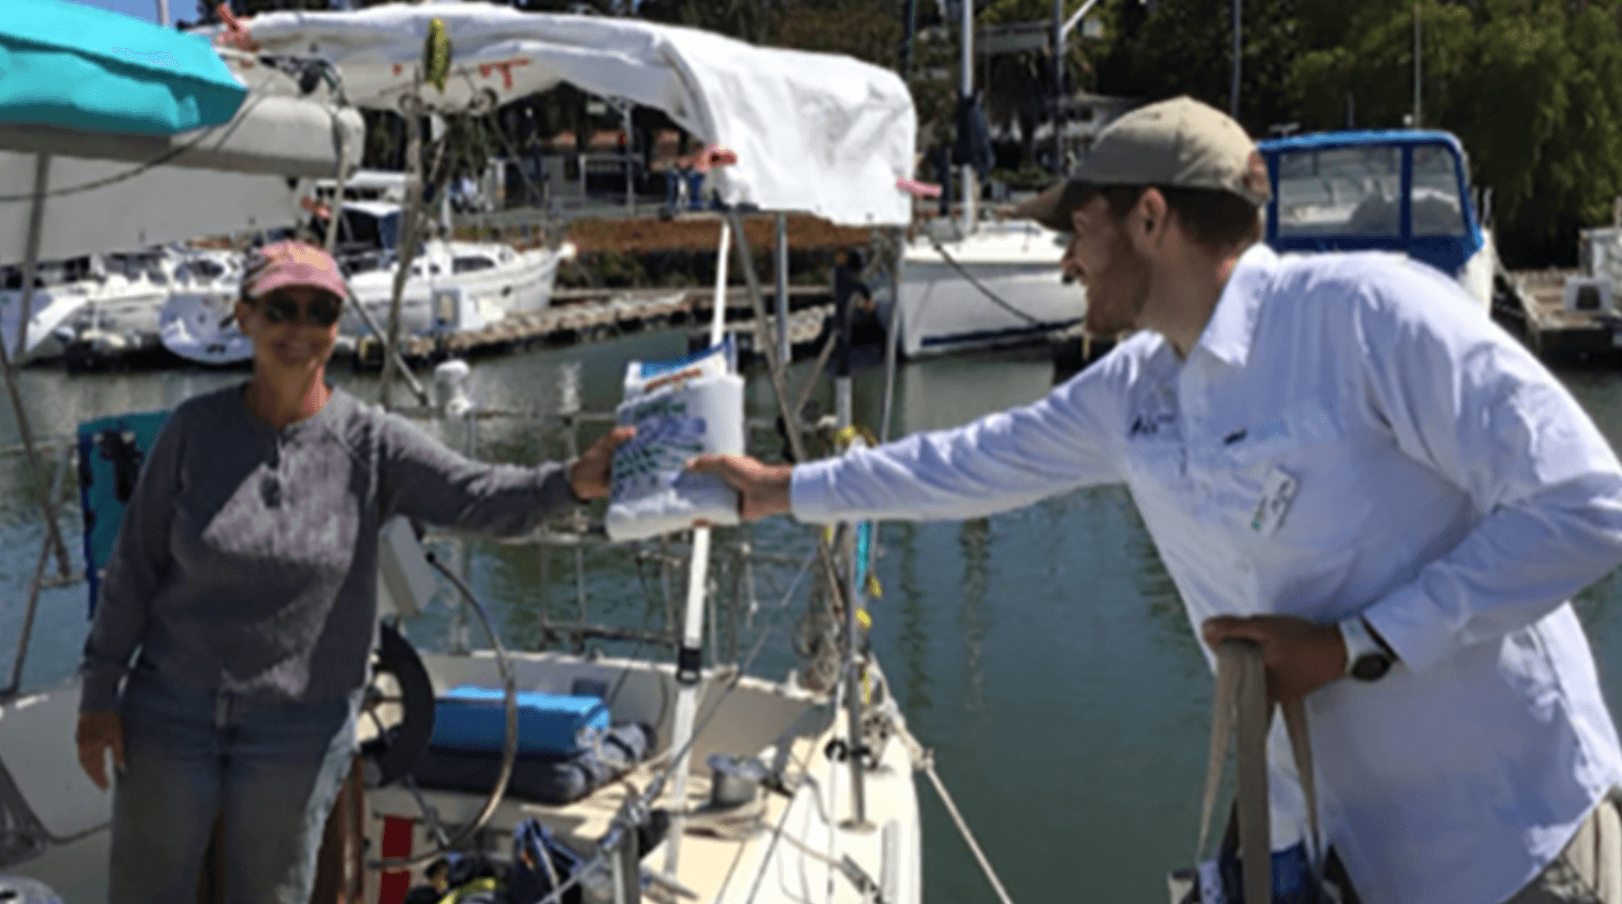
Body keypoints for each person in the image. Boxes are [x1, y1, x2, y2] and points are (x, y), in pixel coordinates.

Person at [689, 96, 1622, 904]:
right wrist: (780, 491)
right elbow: (967, 463)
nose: (1067, 261)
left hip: (1512, 842)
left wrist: (1353, 646)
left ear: (1149, 218)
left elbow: (1588, 504)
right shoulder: (1134, 390)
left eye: (1077, 228)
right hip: (1347, 859)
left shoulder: (1367, 318)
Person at [74, 240, 633, 904]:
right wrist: (99, 696)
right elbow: (133, 570)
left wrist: (572, 482)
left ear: (338, 326)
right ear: (243, 316)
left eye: (321, 311)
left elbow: (478, 495)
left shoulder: (370, 442)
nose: (301, 327)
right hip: (171, 712)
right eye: (280, 308)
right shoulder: (193, 431)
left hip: (297, 729)